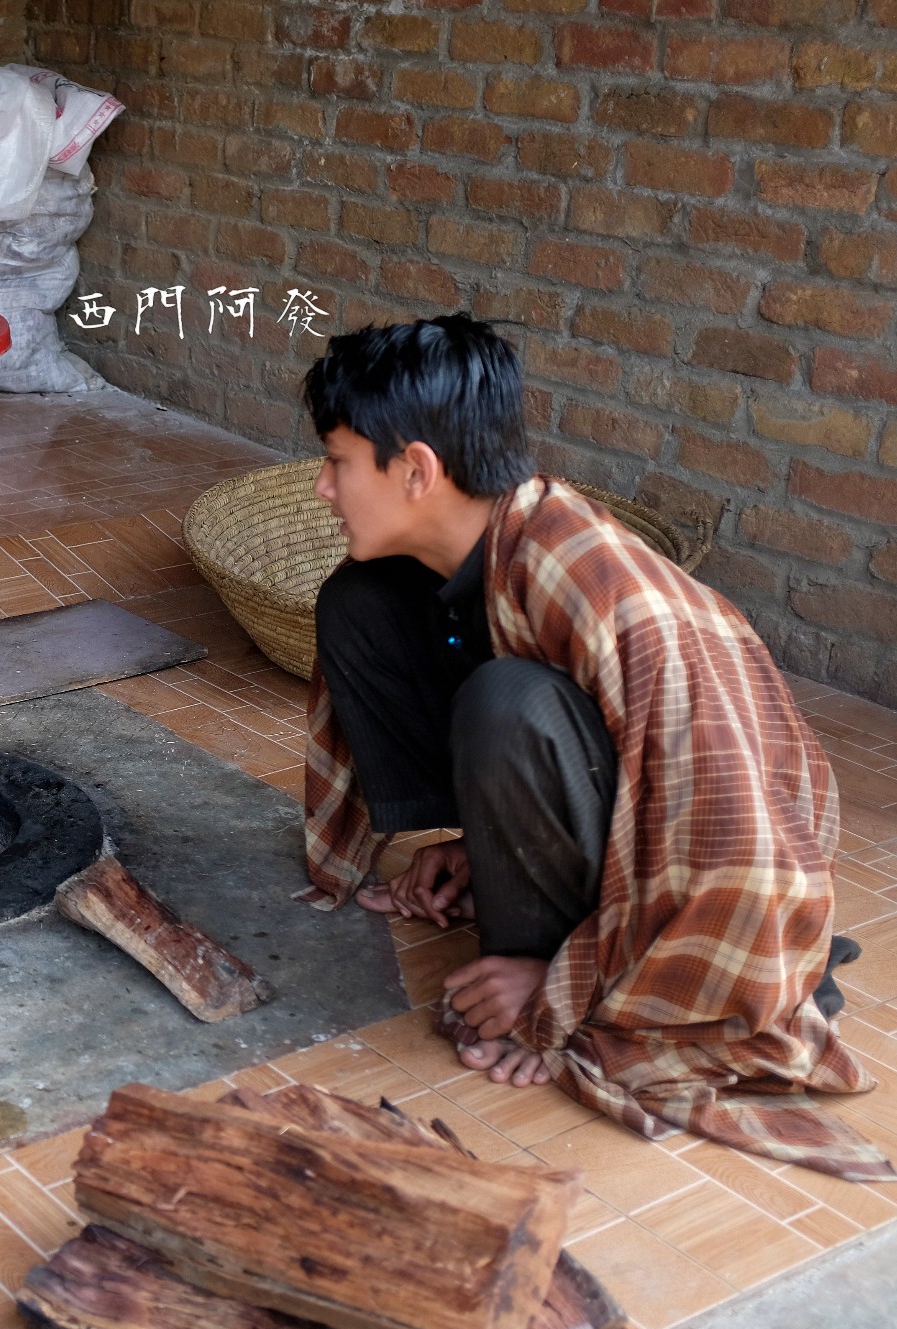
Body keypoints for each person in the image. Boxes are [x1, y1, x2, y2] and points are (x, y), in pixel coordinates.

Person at [301, 315, 890, 1180]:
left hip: (728, 873)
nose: (322, 487)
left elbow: (747, 847)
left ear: (417, 469)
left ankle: (533, 951)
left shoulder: (604, 590)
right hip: (620, 811)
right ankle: (485, 866)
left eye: (337, 461)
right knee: (362, 601)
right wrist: (476, 839)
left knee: (505, 701)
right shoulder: (485, 544)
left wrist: (557, 986)